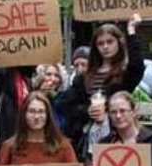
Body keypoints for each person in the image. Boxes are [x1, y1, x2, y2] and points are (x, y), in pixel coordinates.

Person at [56, 15, 144, 152]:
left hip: (118, 136)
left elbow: (137, 66)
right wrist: (87, 111)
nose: (105, 47)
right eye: (100, 43)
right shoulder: (84, 77)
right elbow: (67, 105)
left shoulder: (124, 74)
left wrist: (131, 31)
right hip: (88, 139)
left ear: (118, 43)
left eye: (110, 42)